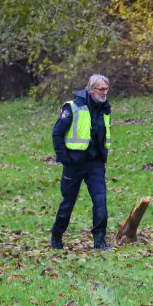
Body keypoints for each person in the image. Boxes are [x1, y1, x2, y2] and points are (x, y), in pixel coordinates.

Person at [50, 74, 113, 250]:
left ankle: (100, 241)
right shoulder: (72, 107)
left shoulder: (105, 108)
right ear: (90, 89)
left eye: (106, 89)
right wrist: (65, 159)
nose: (104, 92)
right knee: (68, 202)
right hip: (74, 163)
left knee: (101, 201)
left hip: (96, 163)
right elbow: (57, 134)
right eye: (101, 89)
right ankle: (56, 236)